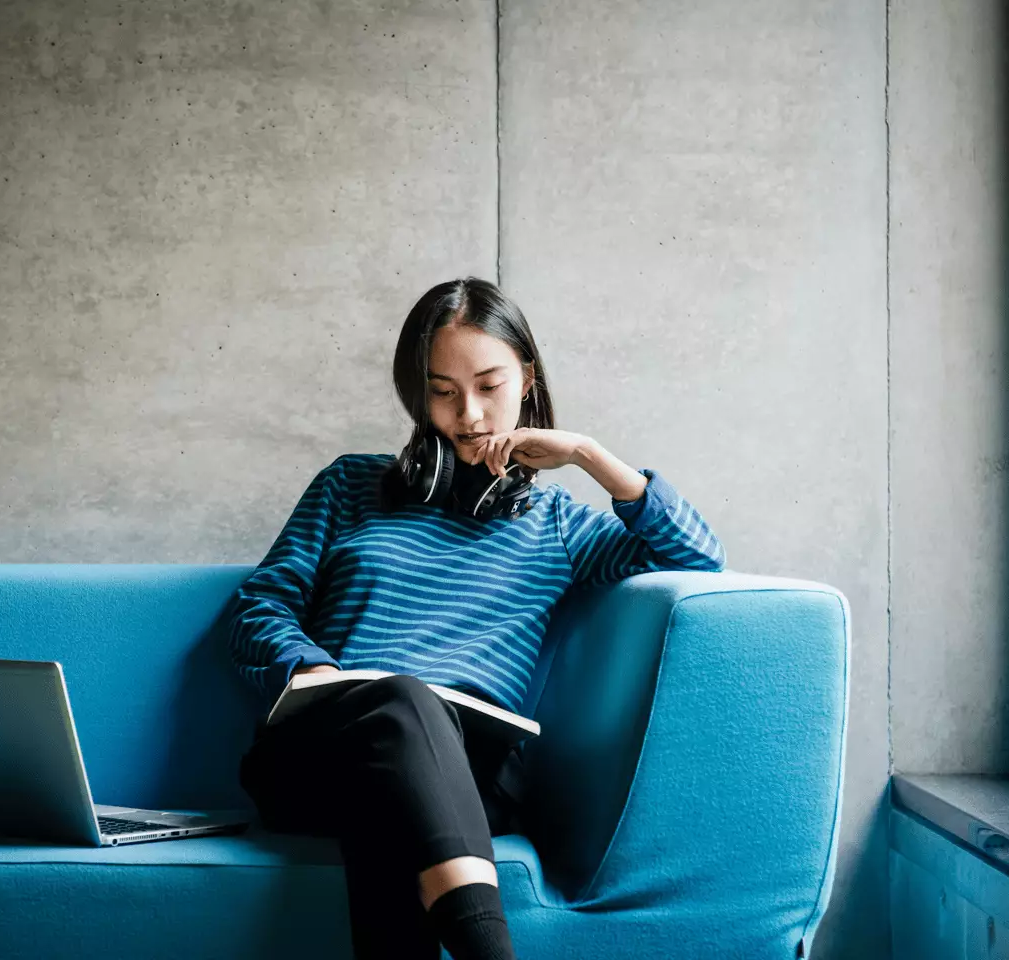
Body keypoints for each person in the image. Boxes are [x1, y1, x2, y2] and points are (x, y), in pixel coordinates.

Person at [229, 276, 726, 960]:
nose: (469, 414)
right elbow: (262, 603)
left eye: (489, 385)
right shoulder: (349, 485)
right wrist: (312, 670)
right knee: (399, 705)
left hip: (465, 775)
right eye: (443, 390)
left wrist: (587, 455)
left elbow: (698, 555)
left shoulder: (557, 526)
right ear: (417, 394)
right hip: (324, 752)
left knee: (393, 803)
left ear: (527, 378)